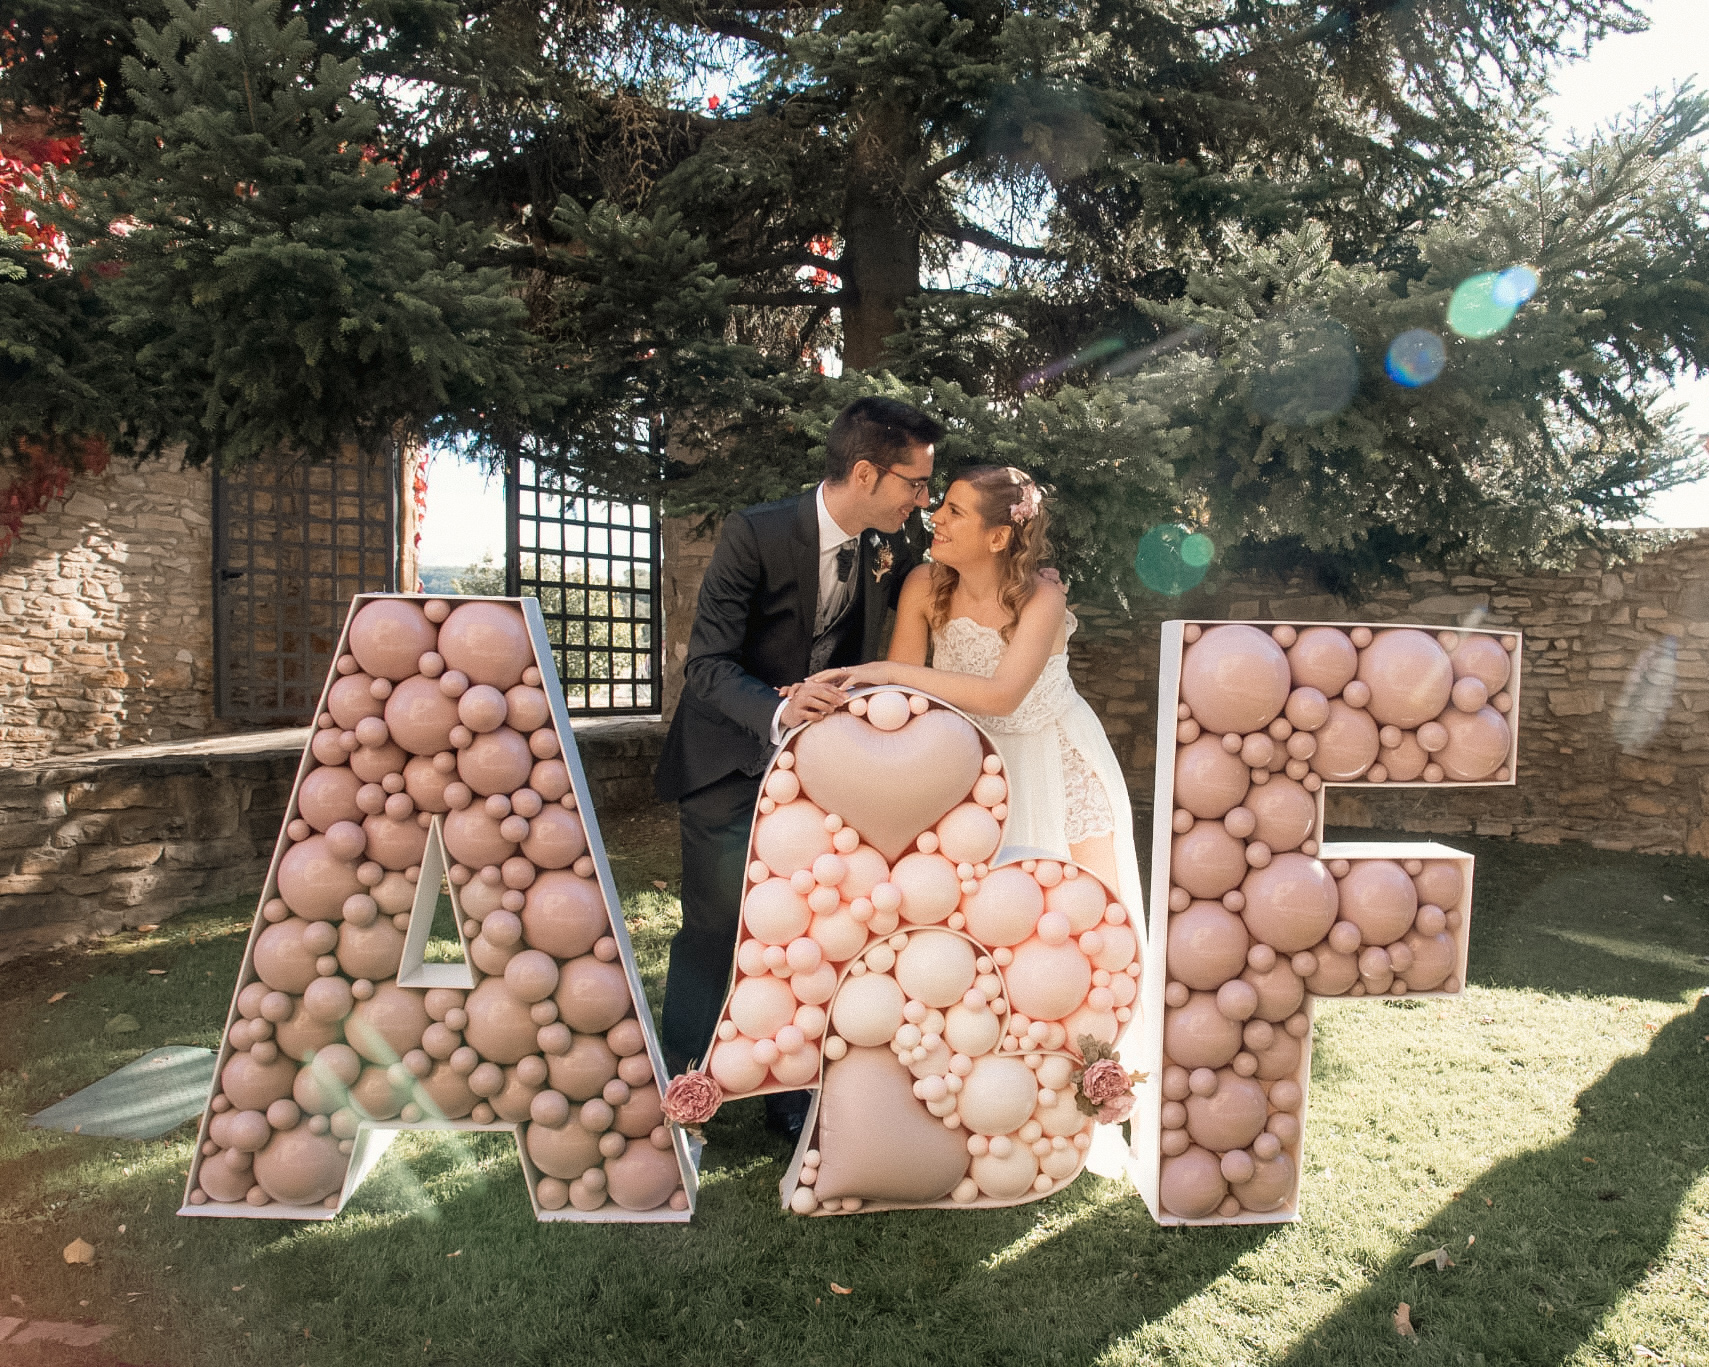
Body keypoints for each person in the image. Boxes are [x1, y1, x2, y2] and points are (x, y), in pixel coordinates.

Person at [653, 396, 944, 1138]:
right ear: (863, 472)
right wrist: (783, 713)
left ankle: (789, 1088)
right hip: (729, 757)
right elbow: (709, 666)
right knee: (716, 929)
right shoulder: (755, 532)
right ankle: (687, 1087)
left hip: (823, 778)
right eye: (914, 482)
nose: (922, 498)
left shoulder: (893, 552)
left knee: (808, 935)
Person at [810, 465, 1142, 917]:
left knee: (1089, 915)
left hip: (1054, 760)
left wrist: (887, 670)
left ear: (998, 538)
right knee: (979, 912)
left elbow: (1002, 696)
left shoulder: (1043, 597)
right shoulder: (923, 585)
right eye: (942, 506)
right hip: (967, 758)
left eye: (955, 511)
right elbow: (900, 698)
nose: (936, 518)